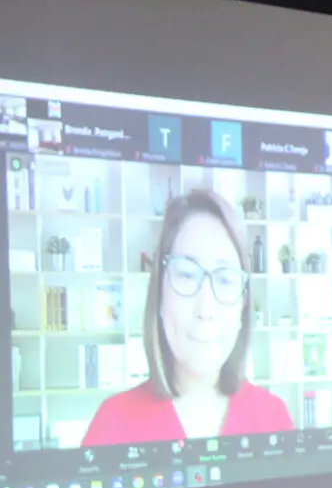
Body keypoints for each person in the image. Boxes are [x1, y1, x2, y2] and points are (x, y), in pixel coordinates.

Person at [82, 188, 293, 446]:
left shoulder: (272, 420)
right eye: (186, 274)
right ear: (160, 294)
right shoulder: (112, 425)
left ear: (243, 305)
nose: (205, 309)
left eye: (225, 279)